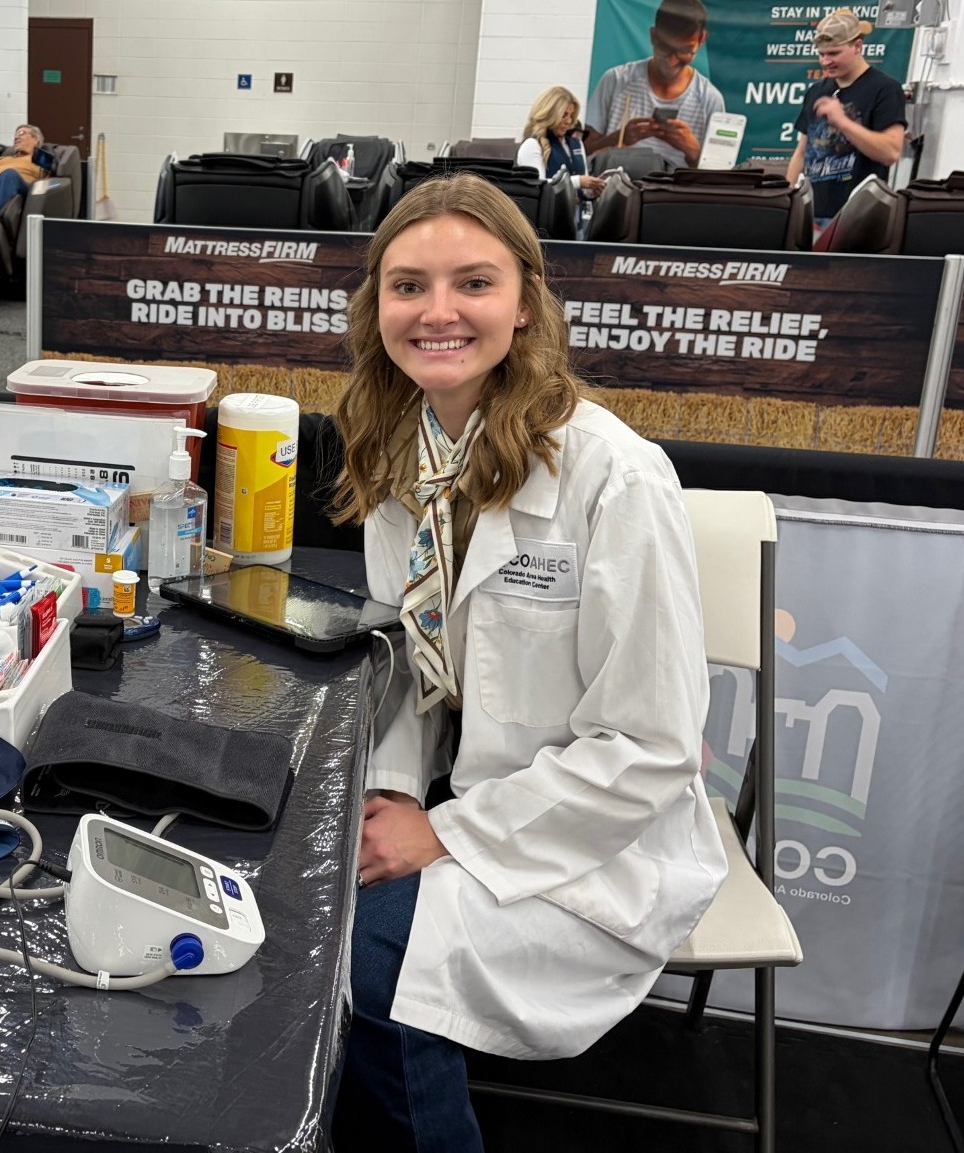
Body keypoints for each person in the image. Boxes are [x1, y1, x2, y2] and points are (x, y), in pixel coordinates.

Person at [327, 173, 727, 1150]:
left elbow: (652, 744)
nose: (438, 312)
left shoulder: (612, 479)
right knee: (302, 903)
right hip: (452, 789)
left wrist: (449, 836)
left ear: (525, 303)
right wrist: (394, 801)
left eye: (474, 282)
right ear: (376, 303)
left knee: (371, 960)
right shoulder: (401, 453)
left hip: (592, 833)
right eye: (409, 285)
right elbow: (402, 659)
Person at [785, 8, 907, 230]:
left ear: (858, 46)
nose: (825, 61)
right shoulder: (816, 91)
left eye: (833, 53)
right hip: (810, 214)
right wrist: (787, 201)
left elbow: (891, 152)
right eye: (821, 54)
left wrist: (843, 122)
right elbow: (801, 152)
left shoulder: (885, 89)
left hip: (858, 217)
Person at [584, 0, 723, 169]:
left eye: (684, 51)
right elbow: (580, 152)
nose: (672, 61)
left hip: (674, 194)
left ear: (702, 39)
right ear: (653, 36)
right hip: (617, 188)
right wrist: (616, 138)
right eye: (664, 48)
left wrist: (692, 150)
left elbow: (717, 175)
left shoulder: (710, 99)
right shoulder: (616, 80)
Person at [515, 85, 605, 200]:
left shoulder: (577, 144)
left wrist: (592, 190)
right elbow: (537, 186)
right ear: (549, 114)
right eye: (564, 115)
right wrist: (578, 181)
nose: (569, 121)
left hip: (574, 214)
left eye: (571, 116)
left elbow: (582, 190)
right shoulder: (532, 145)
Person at [0, 124, 55, 221]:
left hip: (22, 188)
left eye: (21, 133)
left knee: (9, 174)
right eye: (15, 135)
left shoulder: (41, 160)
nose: (16, 137)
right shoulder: (3, 158)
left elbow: (48, 177)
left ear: (35, 140)